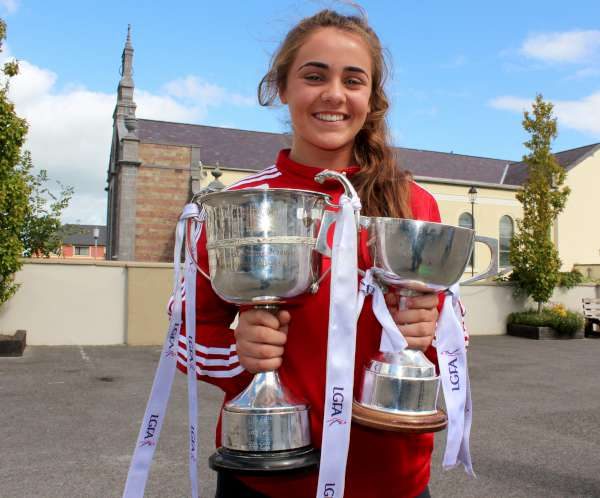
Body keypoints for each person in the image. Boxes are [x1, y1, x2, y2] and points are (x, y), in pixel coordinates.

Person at [176, 8, 444, 498]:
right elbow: (184, 331)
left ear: (371, 98)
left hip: (392, 481)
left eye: (353, 80)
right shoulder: (237, 207)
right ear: (282, 88)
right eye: (314, 76)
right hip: (266, 476)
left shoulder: (414, 205)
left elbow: (455, 336)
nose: (334, 94)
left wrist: (431, 334)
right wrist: (240, 358)